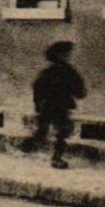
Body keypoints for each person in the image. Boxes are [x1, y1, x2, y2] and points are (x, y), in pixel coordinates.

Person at [26, 40, 86, 169]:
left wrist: (38, 104)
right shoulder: (67, 71)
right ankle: (52, 157)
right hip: (57, 106)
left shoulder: (49, 72)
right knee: (57, 132)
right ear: (58, 55)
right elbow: (79, 90)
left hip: (52, 106)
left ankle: (45, 154)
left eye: (67, 54)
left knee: (53, 131)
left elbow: (37, 88)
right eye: (65, 54)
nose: (67, 56)